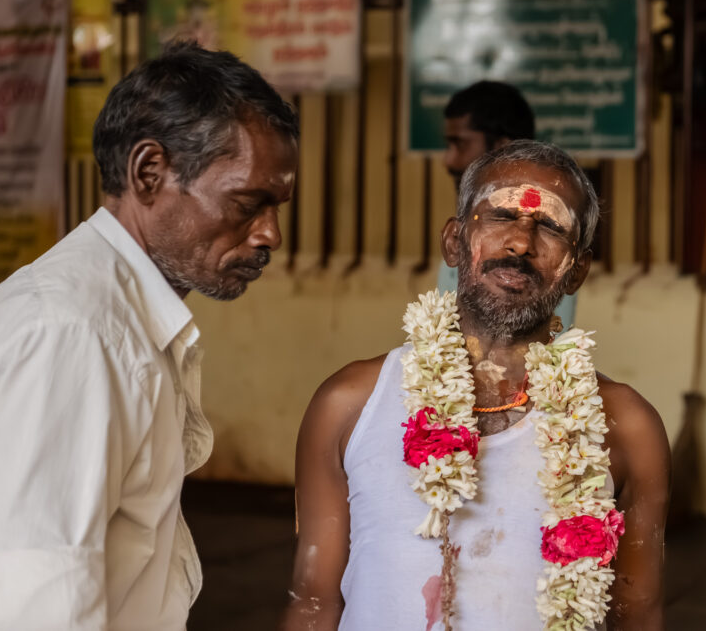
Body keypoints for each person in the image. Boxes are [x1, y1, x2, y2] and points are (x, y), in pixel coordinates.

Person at [0, 41, 298, 630]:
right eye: (248, 203)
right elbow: (44, 606)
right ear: (149, 173)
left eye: (277, 206)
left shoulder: (111, 318)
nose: (270, 234)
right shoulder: (76, 333)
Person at [283, 141, 669, 630]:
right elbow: (313, 604)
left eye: (551, 227)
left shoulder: (626, 427)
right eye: (501, 215)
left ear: (578, 270)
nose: (521, 243)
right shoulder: (349, 404)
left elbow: (636, 615)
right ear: (453, 242)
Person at [441, 80, 577, 330]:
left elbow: (542, 345)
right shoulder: (468, 231)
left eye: (460, 144)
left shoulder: (541, 245)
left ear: (502, 148)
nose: (449, 160)